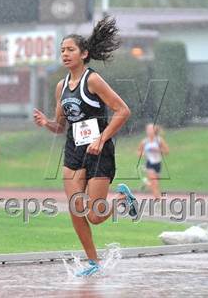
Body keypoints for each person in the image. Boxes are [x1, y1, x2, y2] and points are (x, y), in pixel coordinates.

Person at [33, 16, 135, 277]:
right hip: (74, 152)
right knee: (76, 208)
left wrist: (101, 138)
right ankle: (93, 263)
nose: (65, 54)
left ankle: (123, 198)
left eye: (70, 50)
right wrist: (46, 122)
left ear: (84, 53)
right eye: (62, 50)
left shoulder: (93, 80)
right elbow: (61, 126)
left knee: (95, 215)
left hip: (99, 151)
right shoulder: (61, 87)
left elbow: (123, 111)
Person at [138, 123, 169, 199]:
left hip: (158, 163)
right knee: (154, 183)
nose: (149, 131)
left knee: (155, 184)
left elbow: (167, 151)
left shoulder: (159, 140)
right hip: (149, 164)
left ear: (154, 130)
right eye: (148, 129)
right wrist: (143, 154)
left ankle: (146, 182)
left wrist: (158, 150)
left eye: (151, 129)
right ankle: (158, 199)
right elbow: (138, 152)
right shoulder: (144, 142)